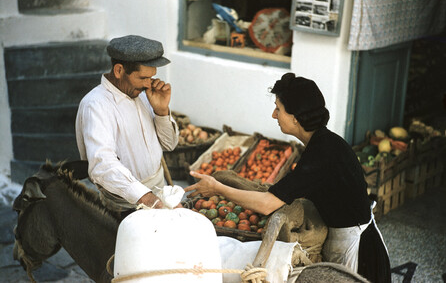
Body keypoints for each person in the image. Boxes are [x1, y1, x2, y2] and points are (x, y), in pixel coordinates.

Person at [185, 73, 391, 283]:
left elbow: (267, 205)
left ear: (295, 117)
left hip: (355, 247)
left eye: (278, 109)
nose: (274, 115)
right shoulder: (324, 142)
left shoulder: (322, 153)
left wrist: (218, 188)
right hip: (351, 236)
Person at [75, 35, 179, 220]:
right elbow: (102, 164)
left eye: (151, 77)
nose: (149, 84)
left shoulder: (144, 95)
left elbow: (169, 145)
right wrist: (146, 197)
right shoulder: (96, 105)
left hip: (159, 195)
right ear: (119, 70)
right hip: (125, 208)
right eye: (143, 78)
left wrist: (162, 111)